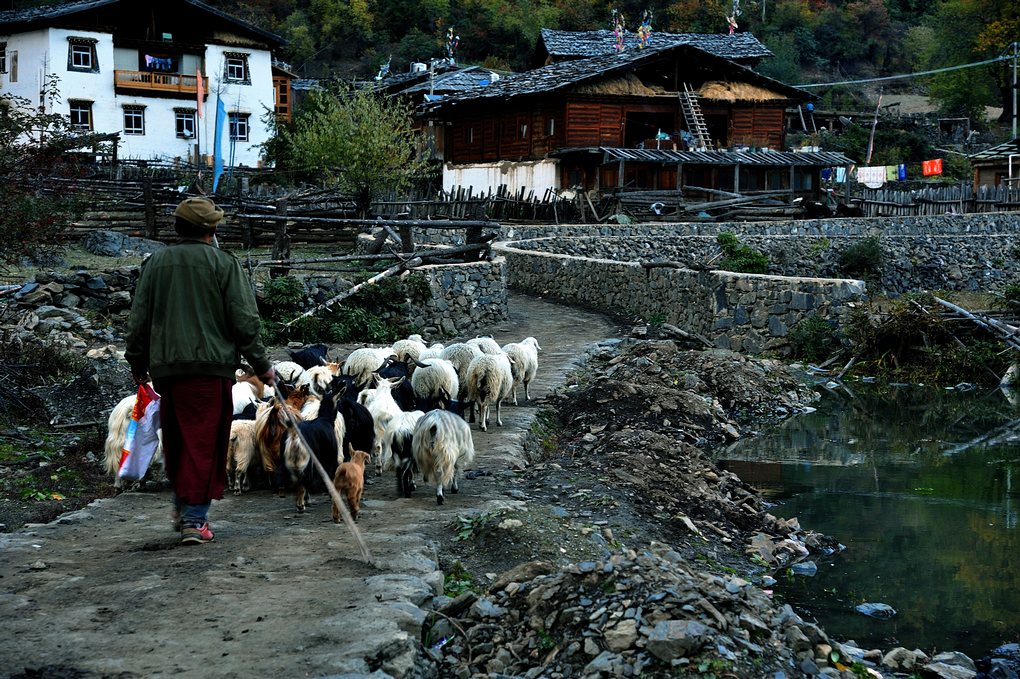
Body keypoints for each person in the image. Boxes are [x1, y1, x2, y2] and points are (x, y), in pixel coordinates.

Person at [126, 196, 275, 545]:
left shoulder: (156, 263)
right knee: (204, 443)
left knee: (178, 439)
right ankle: (195, 519)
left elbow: (138, 321)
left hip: (167, 371)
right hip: (210, 371)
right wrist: (262, 365)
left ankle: (183, 504)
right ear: (211, 229)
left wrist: (137, 363)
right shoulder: (223, 264)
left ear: (179, 228)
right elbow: (244, 320)